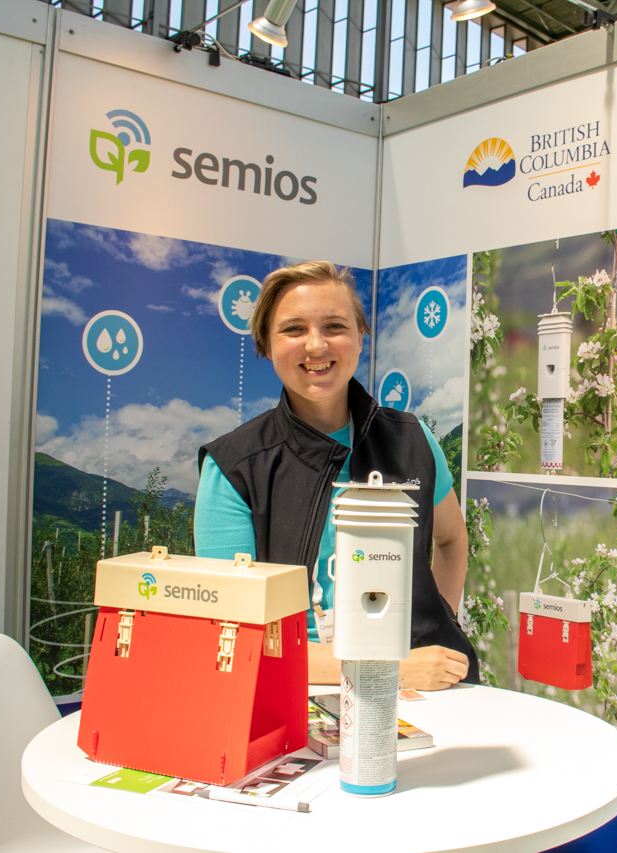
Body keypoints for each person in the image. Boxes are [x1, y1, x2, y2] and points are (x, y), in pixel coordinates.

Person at [194, 261, 477, 689]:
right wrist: (394, 669)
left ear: (361, 337)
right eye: (293, 329)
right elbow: (233, 635)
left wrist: (439, 622)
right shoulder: (233, 468)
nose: (316, 344)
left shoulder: (412, 440)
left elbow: (452, 539)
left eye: (334, 326)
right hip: (300, 693)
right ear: (266, 344)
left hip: (427, 690)